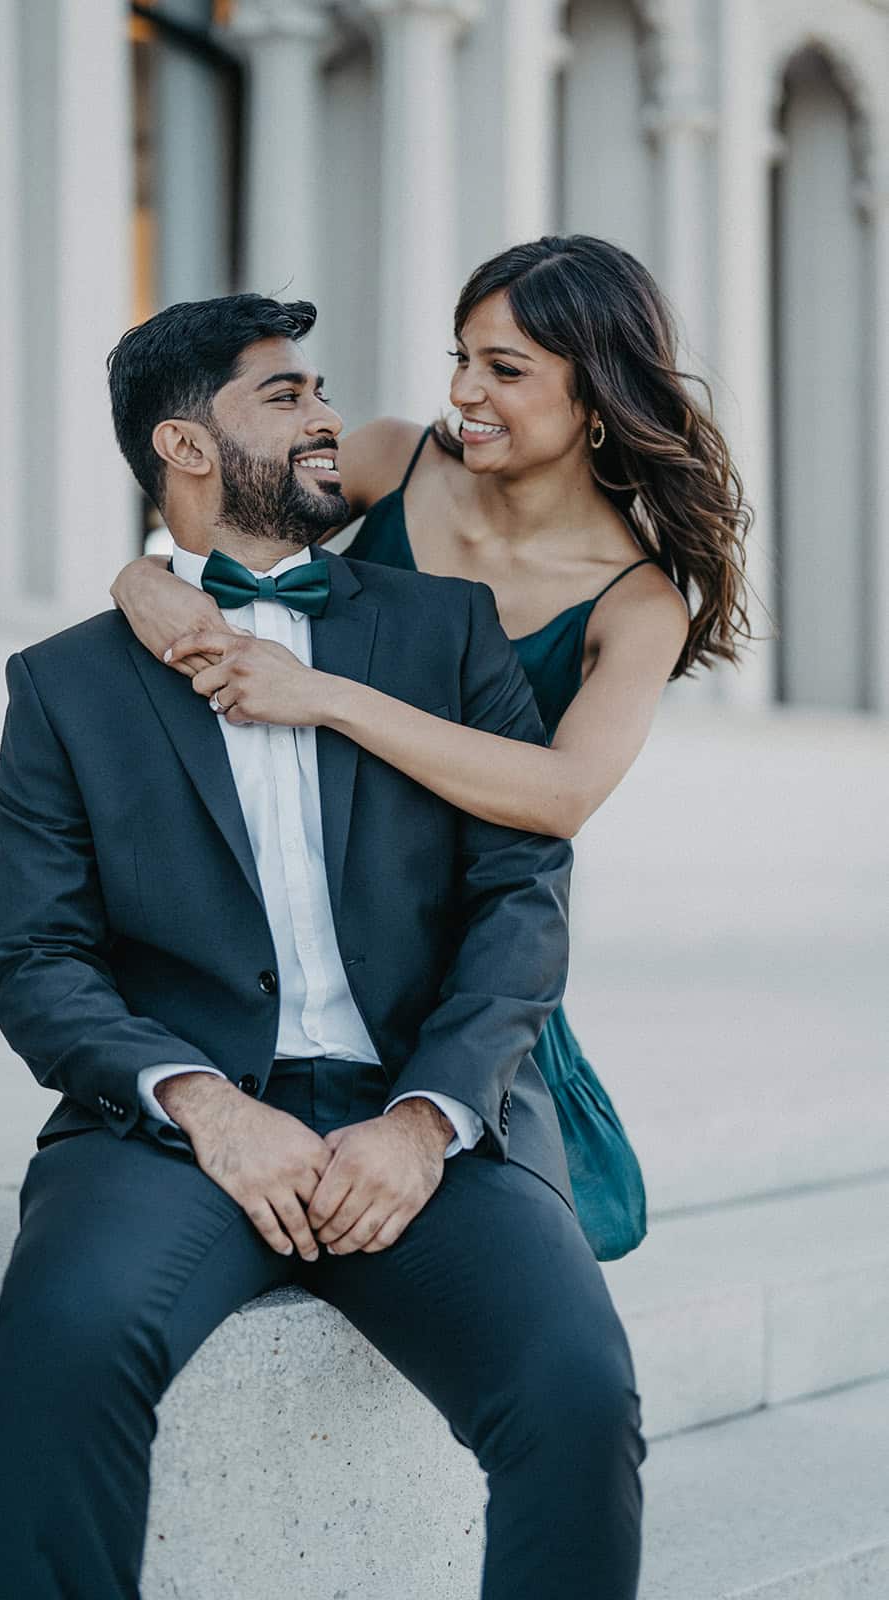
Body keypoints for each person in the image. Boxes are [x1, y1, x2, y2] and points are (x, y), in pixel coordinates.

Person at [0, 292, 645, 1599]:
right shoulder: (65, 684)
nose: (327, 416)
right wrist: (204, 1106)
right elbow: (34, 954)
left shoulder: (445, 633)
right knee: (63, 1340)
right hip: (175, 1131)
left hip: (427, 1118)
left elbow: (520, 897)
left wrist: (423, 1119)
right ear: (183, 447)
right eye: (284, 397)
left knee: (572, 1388)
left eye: (322, 389)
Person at [110, 237, 753, 1263]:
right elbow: (222, 537)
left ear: (597, 394)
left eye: (504, 370)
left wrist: (323, 697)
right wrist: (143, 577)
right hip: (306, 878)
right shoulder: (391, 458)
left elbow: (562, 793)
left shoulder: (634, 603)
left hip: (458, 911)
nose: (463, 393)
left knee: (539, 1218)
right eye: (460, 358)